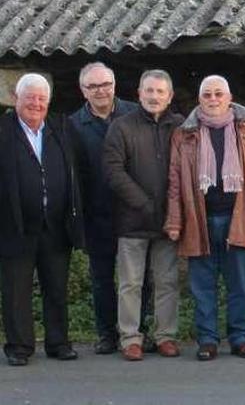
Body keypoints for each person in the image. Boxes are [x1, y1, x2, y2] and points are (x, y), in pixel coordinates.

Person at [164, 75, 245, 361]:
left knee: (239, 285)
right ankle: (208, 340)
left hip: (238, 217)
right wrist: (174, 221)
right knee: (202, 286)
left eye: (218, 94)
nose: (213, 99)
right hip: (199, 218)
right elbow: (174, 181)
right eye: (207, 94)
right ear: (200, 99)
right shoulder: (184, 134)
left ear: (229, 97)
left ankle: (241, 339)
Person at [0, 73, 84, 366]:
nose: (35, 103)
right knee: (16, 290)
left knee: (56, 288)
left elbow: (77, 171)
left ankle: (58, 343)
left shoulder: (60, 129)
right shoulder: (3, 130)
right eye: (30, 97)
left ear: (48, 102)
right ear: (16, 99)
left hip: (56, 225)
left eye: (41, 98)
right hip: (15, 226)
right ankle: (19, 347)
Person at [69, 62, 151, 355]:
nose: (100, 91)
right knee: (102, 278)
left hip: (134, 211)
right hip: (97, 214)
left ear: (114, 85)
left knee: (140, 278)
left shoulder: (135, 113)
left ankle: (141, 332)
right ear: (83, 91)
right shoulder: (73, 125)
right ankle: (106, 334)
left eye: (105, 84)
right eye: (93, 86)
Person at [104, 69, 184, 361]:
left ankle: (165, 336)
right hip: (132, 220)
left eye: (160, 92)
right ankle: (130, 338)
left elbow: (220, 113)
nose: (154, 96)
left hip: (169, 222)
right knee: (130, 284)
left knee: (167, 281)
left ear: (170, 96)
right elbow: (113, 170)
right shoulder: (121, 127)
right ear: (139, 93)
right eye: (149, 91)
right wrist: (144, 202)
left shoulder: (180, 126)